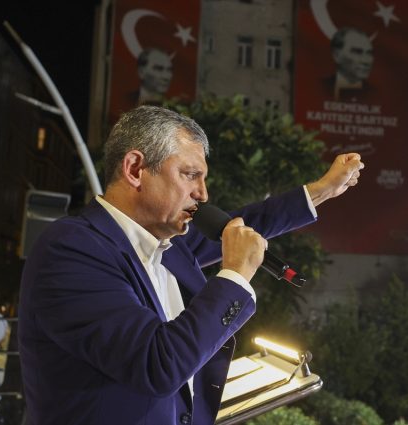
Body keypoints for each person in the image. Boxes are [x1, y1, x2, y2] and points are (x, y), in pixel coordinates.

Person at [18, 105, 364, 425]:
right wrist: (235, 276)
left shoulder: (167, 246)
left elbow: (245, 223)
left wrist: (321, 190)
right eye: (190, 175)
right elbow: (156, 364)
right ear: (135, 169)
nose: (203, 193)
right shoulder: (72, 249)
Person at [326, 27, 375, 101]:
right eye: (357, 52)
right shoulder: (317, 88)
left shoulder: (378, 95)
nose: (366, 61)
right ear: (337, 56)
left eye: (369, 53)